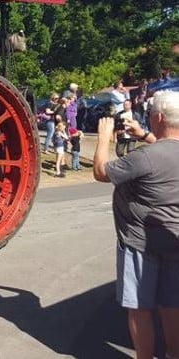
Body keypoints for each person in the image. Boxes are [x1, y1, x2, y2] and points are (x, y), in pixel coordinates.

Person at [93, 90, 179, 359]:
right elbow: (166, 148)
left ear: (159, 117)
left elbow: (100, 172)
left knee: (140, 309)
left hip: (140, 241)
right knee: (171, 305)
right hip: (173, 239)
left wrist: (104, 138)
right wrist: (143, 135)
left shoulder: (144, 158)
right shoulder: (158, 152)